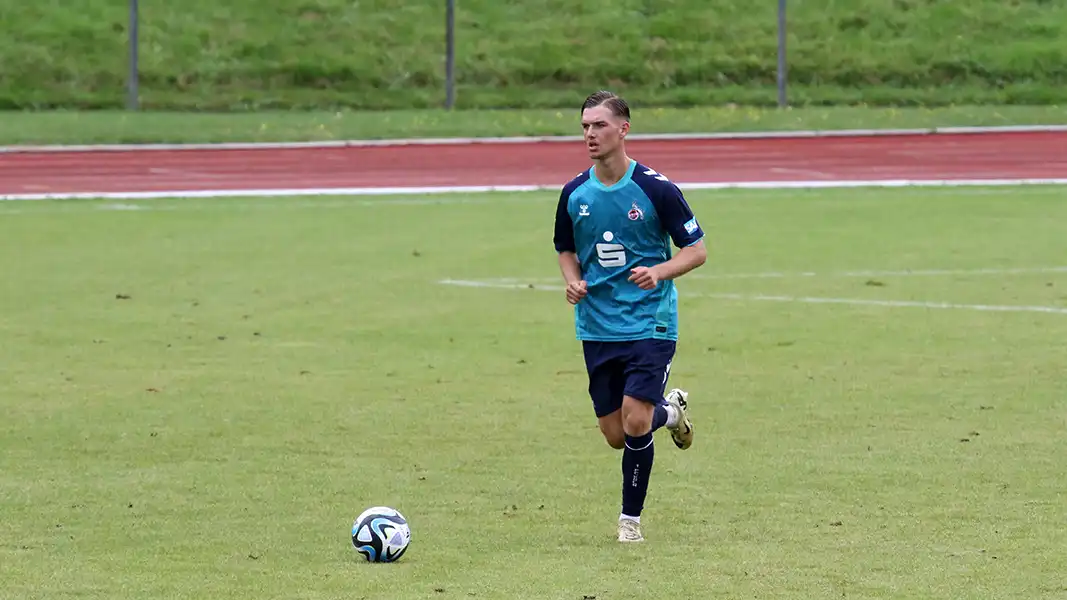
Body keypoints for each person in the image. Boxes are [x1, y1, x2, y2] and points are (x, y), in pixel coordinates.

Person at [552, 90, 708, 543]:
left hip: (650, 322)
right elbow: (565, 248)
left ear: (624, 129)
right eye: (584, 126)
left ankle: (630, 522)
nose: (589, 134)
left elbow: (696, 251)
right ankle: (672, 412)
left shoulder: (657, 188)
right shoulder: (574, 193)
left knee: (636, 420)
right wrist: (573, 280)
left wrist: (658, 271)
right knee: (616, 433)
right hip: (598, 325)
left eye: (598, 125)